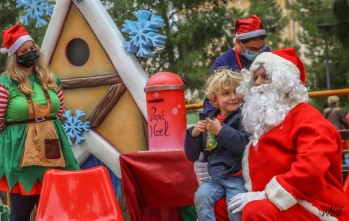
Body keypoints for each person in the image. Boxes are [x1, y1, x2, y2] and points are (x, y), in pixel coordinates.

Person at [227, 48, 349, 220]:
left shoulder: (308, 118)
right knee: (220, 205)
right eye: (255, 77)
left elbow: (311, 169)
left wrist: (266, 195)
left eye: (264, 76)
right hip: (286, 200)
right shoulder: (271, 120)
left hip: (320, 206)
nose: (257, 82)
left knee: (255, 211)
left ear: (284, 82)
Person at [0, 24, 80, 221]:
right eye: (23, 51)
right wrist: (14, 141)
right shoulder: (5, 83)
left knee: (56, 211)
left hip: (51, 147)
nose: (29, 54)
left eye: (31, 49)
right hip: (20, 152)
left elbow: (59, 110)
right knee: (20, 212)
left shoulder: (51, 80)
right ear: (14, 56)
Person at [185, 67, 249, 221]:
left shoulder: (244, 117)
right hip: (215, 177)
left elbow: (244, 146)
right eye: (226, 93)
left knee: (235, 210)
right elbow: (193, 155)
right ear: (214, 100)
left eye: (237, 91)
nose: (233, 97)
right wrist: (193, 136)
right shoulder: (210, 119)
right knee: (200, 197)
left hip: (237, 177)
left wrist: (220, 132)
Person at [204, 14, 271, 113]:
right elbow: (210, 99)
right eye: (252, 49)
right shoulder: (223, 63)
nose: (258, 53)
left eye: (260, 48)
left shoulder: (266, 53)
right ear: (238, 42)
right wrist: (211, 118)